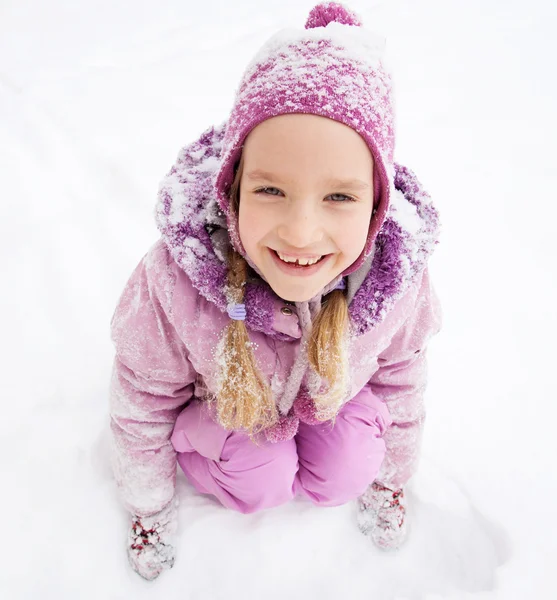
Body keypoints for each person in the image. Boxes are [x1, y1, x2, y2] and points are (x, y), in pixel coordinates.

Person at [109, 1, 443, 581]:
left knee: (350, 465)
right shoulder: (176, 284)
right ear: (232, 187)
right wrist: (149, 503)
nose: (301, 232)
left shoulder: (392, 288)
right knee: (259, 476)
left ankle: (343, 466)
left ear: (377, 204)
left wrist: (391, 476)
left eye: (339, 197)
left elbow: (400, 381)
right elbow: (141, 402)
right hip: (223, 412)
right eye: (270, 190)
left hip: (323, 399)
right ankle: (237, 467)